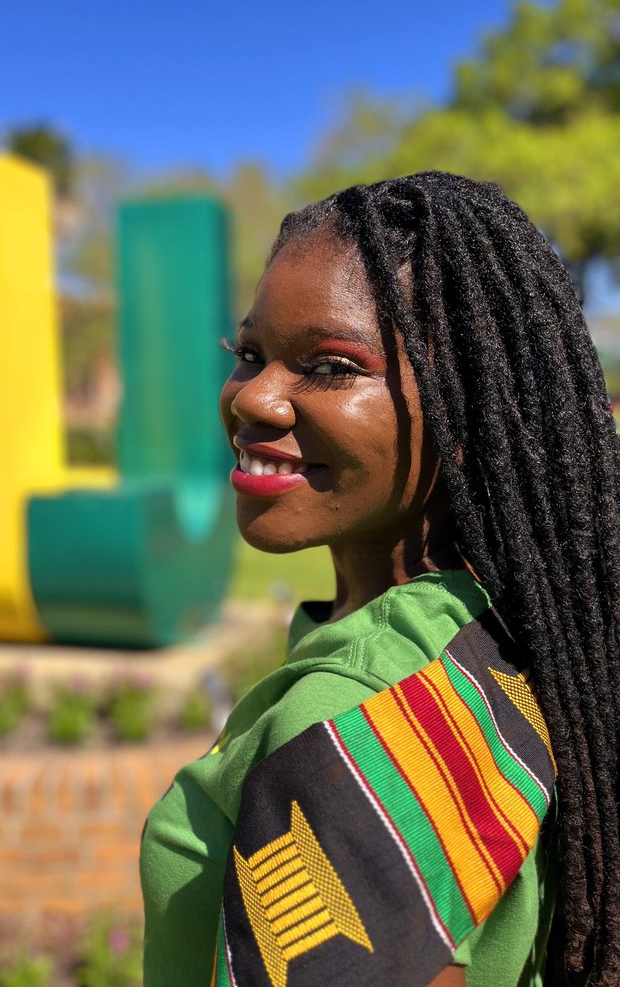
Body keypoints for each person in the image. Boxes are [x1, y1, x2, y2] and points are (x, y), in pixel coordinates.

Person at [139, 171, 620, 987]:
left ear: (465, 411)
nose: (254, 397)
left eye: (329, 366)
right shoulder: (494, 628)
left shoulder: (356, 714)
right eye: (249, 354)